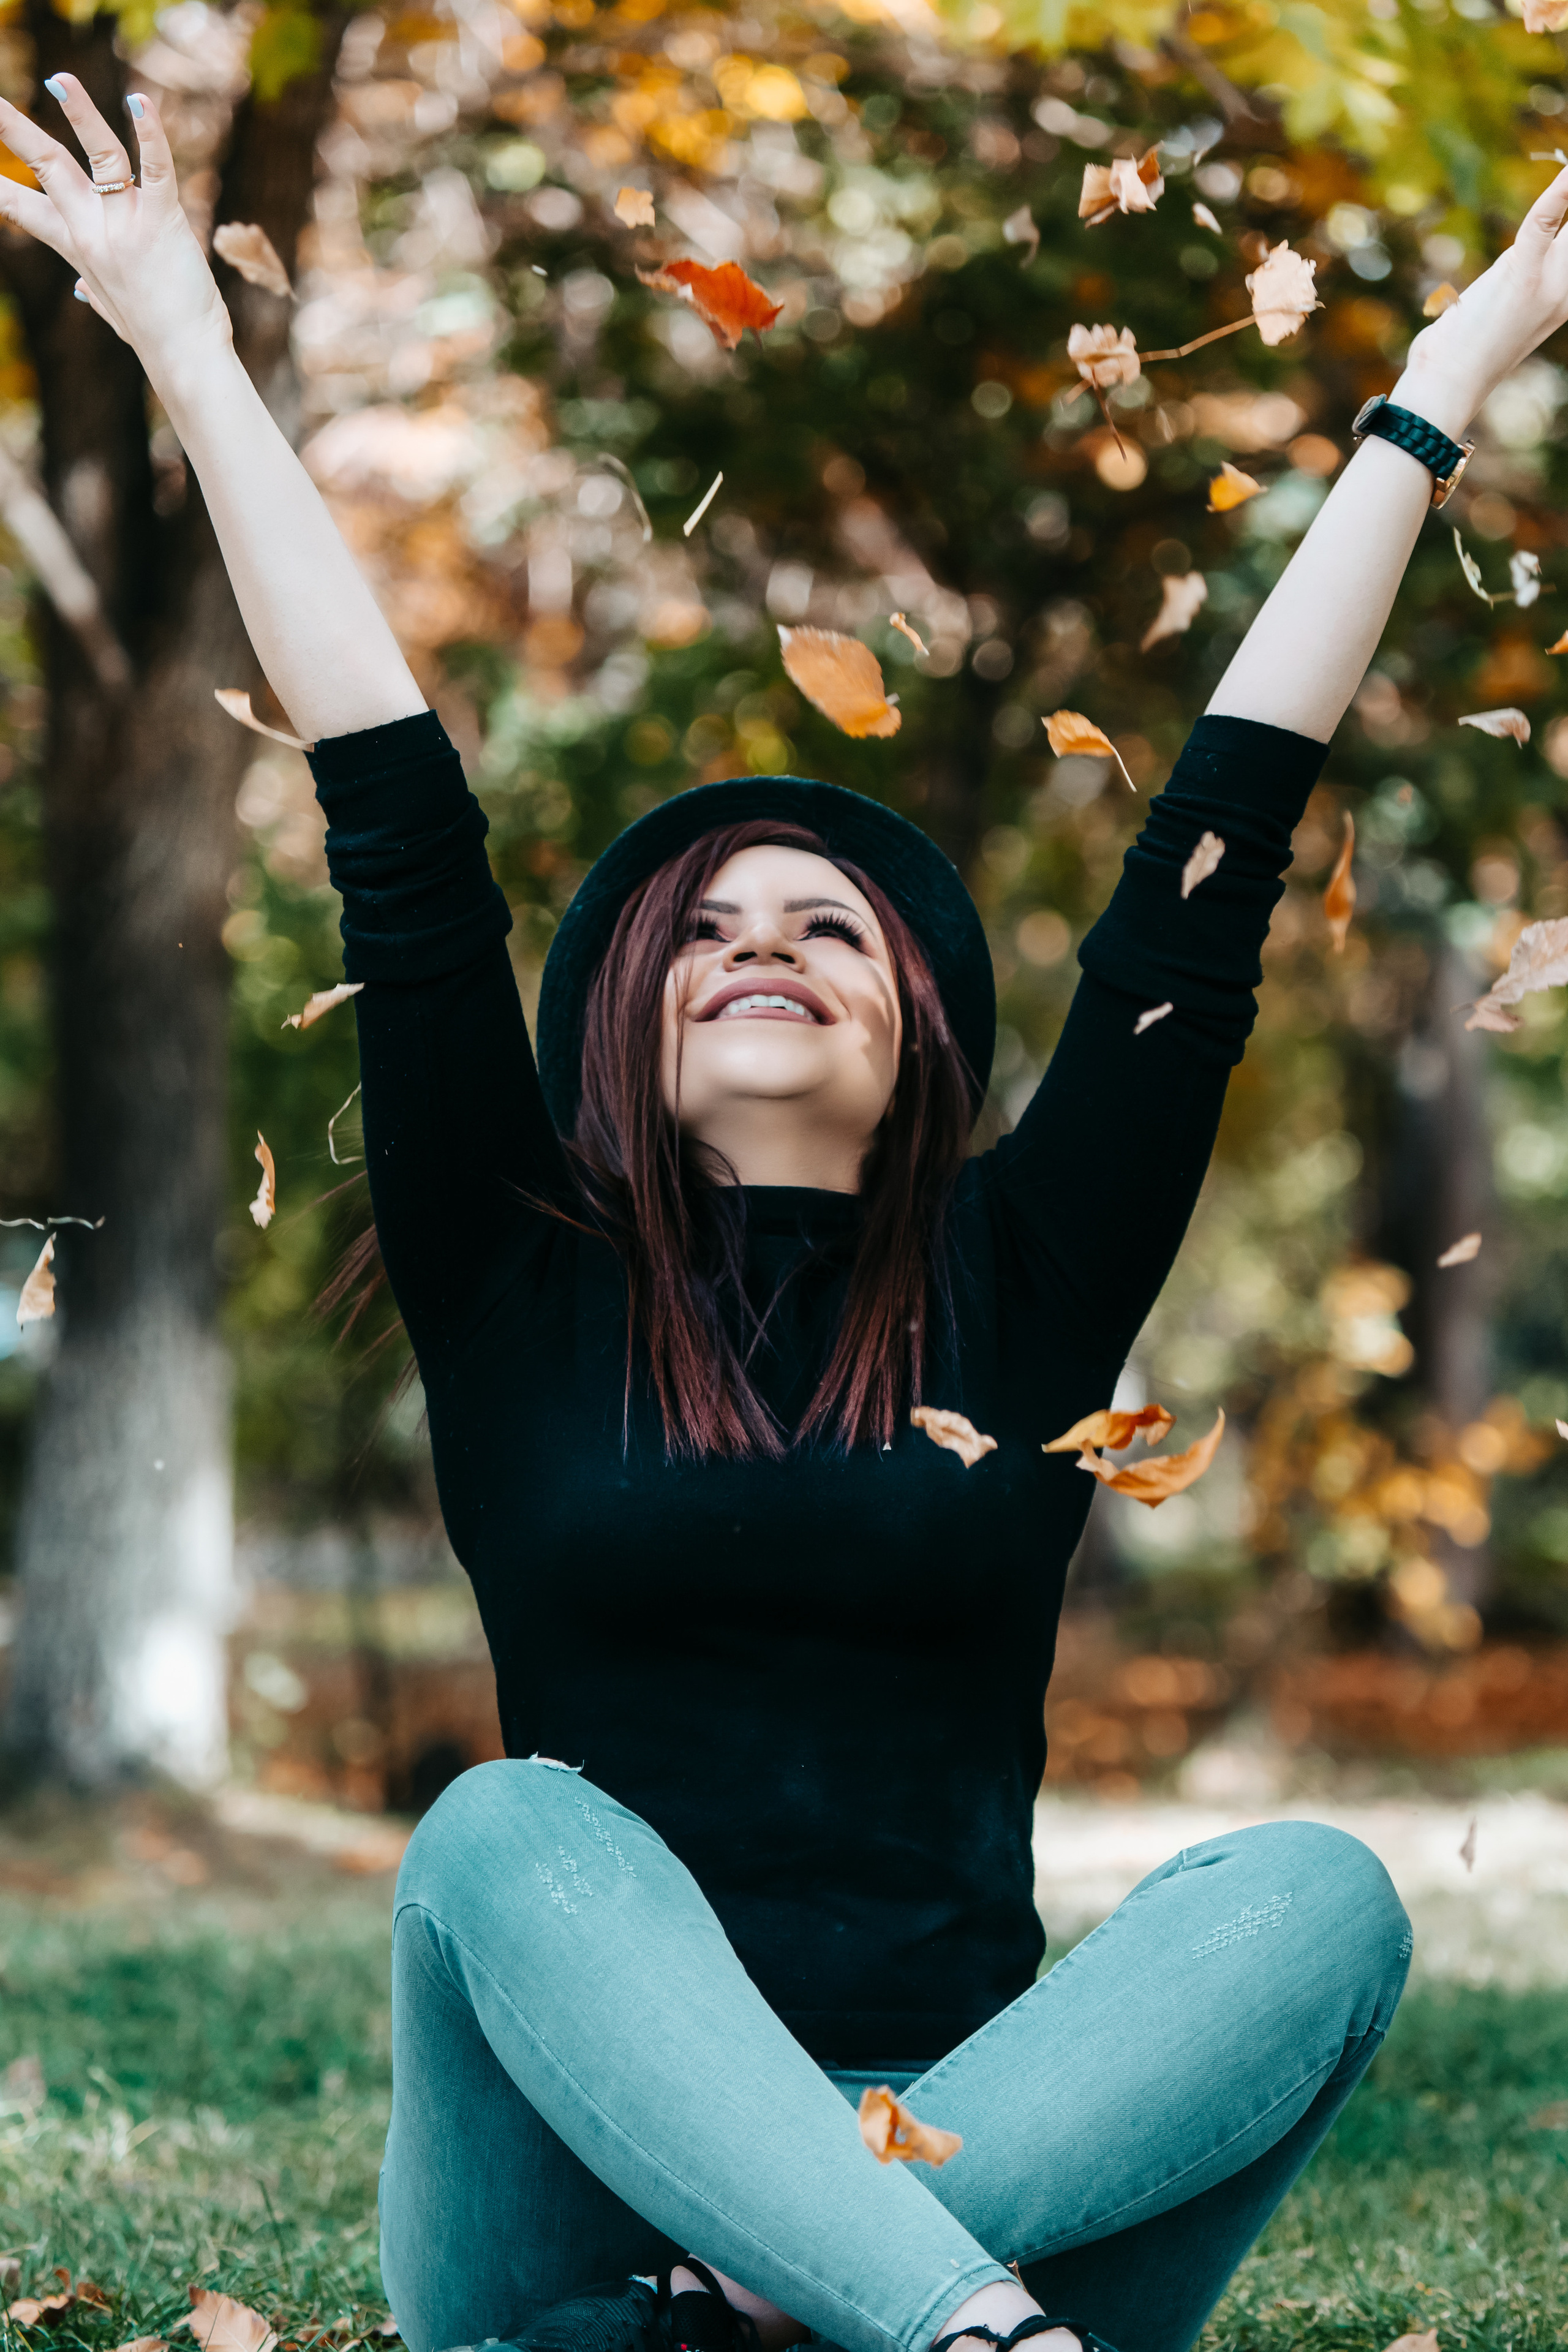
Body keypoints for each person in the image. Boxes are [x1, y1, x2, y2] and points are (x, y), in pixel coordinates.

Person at [7, 70, 1564, 2352]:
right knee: (506, 1835)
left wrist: (1443, 388)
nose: (764, 942)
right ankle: (883, 2313)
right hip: (570, 2221)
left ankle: (841, 2295)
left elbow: (1216, 853)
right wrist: (184, 348)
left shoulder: (1021, 1292)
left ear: (922, 1032)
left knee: (1319, 1895)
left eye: (833, 929)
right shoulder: (518, 1279)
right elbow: (397, 825)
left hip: (977, 2170)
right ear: (622, 1027)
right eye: (707, 923)